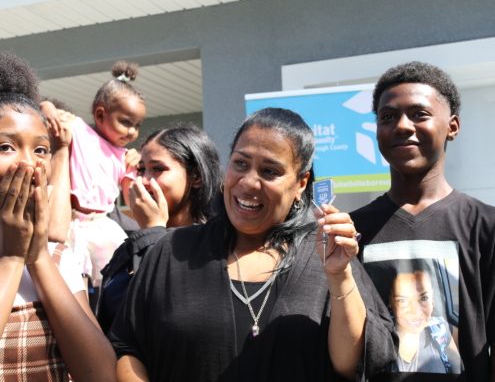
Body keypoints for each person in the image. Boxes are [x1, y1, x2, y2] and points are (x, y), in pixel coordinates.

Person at [109, 108, 396, 381]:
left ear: (300, 184)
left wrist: (338, 275)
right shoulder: (171, 251)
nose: (248, 182)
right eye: (241, 163)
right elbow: (128, 351)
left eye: (269, 171)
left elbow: (353, 365)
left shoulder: (326, 255)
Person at [351, 61, 495, 380]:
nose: (402, 126)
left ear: (452, 126)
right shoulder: (352, 231)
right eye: (388, 117)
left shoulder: (485, 226)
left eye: (419, 114)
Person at [0, 52, 116, 381]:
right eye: (6, 146)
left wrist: (37, 258)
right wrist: (11, 257)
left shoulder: (57, 258)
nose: (27, 163)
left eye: (40, 149)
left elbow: (101, 375)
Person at [97, 124, 222, 334]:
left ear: (196, 177)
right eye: (141, 169)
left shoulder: (217, 246)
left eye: (157, 169)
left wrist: (154, 231)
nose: (144, 180)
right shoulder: (132, 245)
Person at [45, 61, 146, 292]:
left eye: (137, 125)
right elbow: (44, 106)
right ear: (100, 114)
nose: (132, 131)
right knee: (70, 280)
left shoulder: (124, 157)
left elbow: (132, 198)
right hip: (70, 222)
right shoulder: (78, 129)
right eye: (126, 122)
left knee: (117, 278)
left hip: (101, 225)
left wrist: (139, 167)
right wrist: (49, 108)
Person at [387, 264, 461, 373]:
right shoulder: (380, 338)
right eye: (402, 301)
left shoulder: (440, 329)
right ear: (390, 302)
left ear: (432, 300)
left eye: (424, 298)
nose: (415, 311)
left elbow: (459, 372)